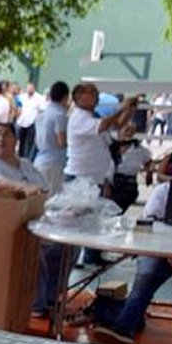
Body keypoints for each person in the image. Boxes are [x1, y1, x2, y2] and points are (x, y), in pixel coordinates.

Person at [93, 142, 172, 344]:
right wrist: (170, 254)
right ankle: (124, 327)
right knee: (147, 276)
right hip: (162, 254)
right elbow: (146, 227)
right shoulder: (164, 191)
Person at [0, 123, 66, 315]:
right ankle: (36, 304)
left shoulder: (26, 165)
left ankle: (50, 296)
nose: (1, 140)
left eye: (6, 135)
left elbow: (43, 191)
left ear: (15, 140)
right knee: (38, 253)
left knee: (64, 248)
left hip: (34, 222)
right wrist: (20, 187)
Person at [65, 83, 138, 265]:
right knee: (76, 222)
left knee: (93, 219)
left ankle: (91, 255)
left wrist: (128, 110)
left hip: (95, 177)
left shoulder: (92, 116)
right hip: (80, 176)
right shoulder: (78, 117)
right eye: (92, 93)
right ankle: (72, 257)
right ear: (79, 97)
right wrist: (121, 108)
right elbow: (104, 125)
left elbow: (116, 125)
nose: (97, 96)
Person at [32, 81, 70, 194]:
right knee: (53, 200)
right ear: (66, 97)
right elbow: (61, 141)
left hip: (40, 160)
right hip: (54, 163)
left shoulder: (42, 114)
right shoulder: (60, 115)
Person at [111, 123, 153, 213]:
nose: (129, 133)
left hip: (128, 185)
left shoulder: (140, 150)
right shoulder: (110, 147)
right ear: (119, 131)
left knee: (117, 209)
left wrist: (149, 174)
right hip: (111, 183)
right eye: (126, 130)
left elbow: (148, 162)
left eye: (132, 131)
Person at [15, 82, 46, 159]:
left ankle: (27, 158)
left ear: (34, 89)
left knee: (29, 142)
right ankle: (20, 157)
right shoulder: (21, 97)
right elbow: (18, 107)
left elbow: (42, 110)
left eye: (31, 88)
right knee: (21, 142)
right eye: (28, 88)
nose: (29, 90)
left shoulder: (39, 98)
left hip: (32, 122)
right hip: (22, 122)